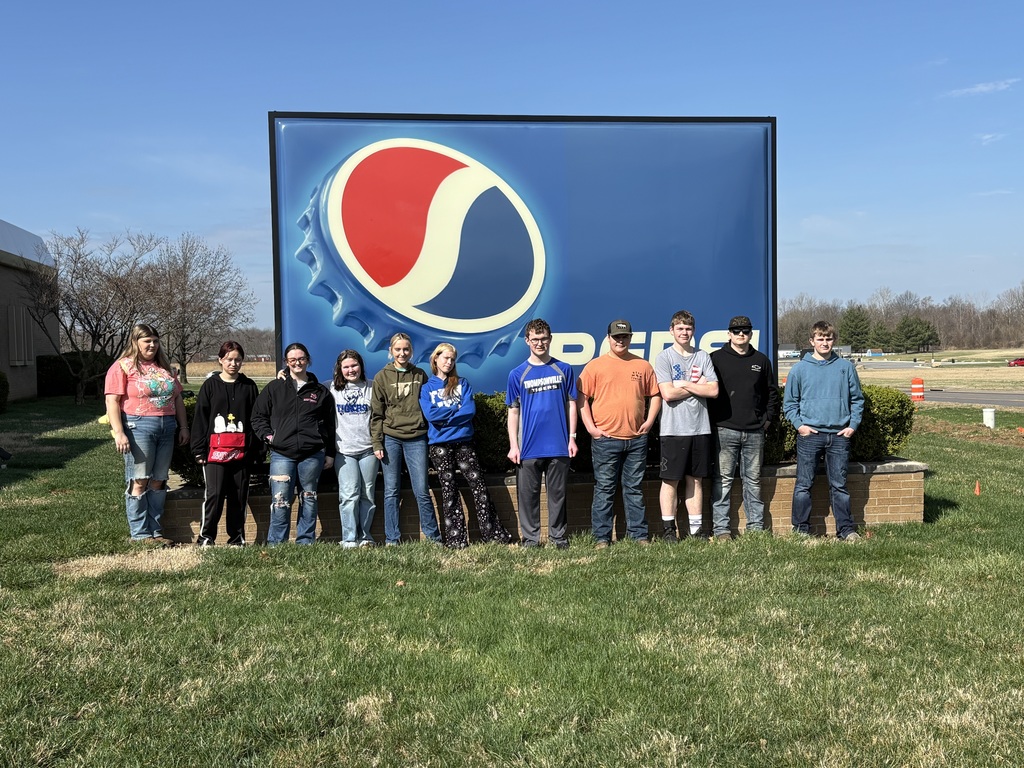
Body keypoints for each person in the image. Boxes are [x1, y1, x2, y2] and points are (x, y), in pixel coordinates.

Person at [420, 343, 515, 548]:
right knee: (449, 491)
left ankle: (494, 536)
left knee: (479, 487)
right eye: (445, 358)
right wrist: (455, 409)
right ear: (435, 359)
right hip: (439, 446)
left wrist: (446, 415)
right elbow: (430, 415)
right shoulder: (427, 387)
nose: (449, 362)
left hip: (464, 442)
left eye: (452, 359)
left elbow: (469, 411)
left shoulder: (462, 383)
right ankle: (456, 540)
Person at [577, 319, 661, 548]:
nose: (620, 340)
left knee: (634, 489)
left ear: (630, 338)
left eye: (624, 337)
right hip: (606, 440)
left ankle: (639, 535)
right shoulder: (595, 366)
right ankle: (602, 538)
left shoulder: (642, 365)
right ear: (608, 338)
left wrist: (650, 421)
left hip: (636, 439)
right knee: (604, 489)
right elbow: (581, 397)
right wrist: (591, 428)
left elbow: (655, 394)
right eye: (616, 337)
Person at [104, 323, 189, 545]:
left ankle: (156, 531)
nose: (152, 345)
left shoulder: (165, 368)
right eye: (147, 341)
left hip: (167, 426)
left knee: (159, 480)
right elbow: (112, 400)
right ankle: (140, 534)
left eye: (155, 341)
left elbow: (177, 398)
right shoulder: (122, 367)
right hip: (138, 426)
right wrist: (119, 432)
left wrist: (183, 426)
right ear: (135, 342)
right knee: (139, 479)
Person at [783, 320, 865, 541]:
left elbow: (857, 400)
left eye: (828, 338)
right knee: (803, 485)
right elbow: (790, 403)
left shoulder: (845, 367)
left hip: (839, 436)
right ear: (812, 341)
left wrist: (851, 426)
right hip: (810, 436)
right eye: (820, 338)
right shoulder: (799, 369)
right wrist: (800, 426)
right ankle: (801, 530)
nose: (825, 342)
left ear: (833, 341)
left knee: (839, 486)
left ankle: (846, 530)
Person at [251, 343, 335, 544]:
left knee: (309, 498)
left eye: (301, 358)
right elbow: (258, 417)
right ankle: (277, 543)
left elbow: (330, 424)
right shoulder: (275, 387)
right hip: (282, 453)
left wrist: (329, 452)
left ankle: (305, 541)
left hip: (312, 454)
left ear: (308, 360)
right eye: (292, 360)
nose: (297, 363)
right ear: (286, 362)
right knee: (280, 501)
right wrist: (270, 437)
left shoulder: (320, 391)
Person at [506, 319, 578, 549]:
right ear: (527, 341)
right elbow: (513, 411)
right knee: (528, 497)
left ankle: (558, 538)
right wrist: (513, 445)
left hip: (559, 444)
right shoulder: (517, 374)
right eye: (535, 339)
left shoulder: (564, 369)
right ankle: (531, 539)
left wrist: (572, 437)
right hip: (528, 446)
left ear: (550, 339)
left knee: (558, 495)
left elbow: (571, 405)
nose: (540, 343)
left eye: (544, 338)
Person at [709, 316, 780, 538]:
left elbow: (771, 393)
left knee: (753, 481)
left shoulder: (761, 360)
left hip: (754, 431)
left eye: (746, 331)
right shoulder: (715, 359)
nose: (741, 334)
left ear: (751, 334)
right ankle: (721, 529)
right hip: (724, 430)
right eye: (737, 331)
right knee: (723, 480)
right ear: (729, 334)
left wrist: (767, 419)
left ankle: (756, 528)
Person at [370, 333, 441, 546]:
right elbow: (376, 414)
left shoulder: (420, 375)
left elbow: (431, 404)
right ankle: (392, 539)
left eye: (406, 349)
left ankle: (433, 538)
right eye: (398, 349)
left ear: (411, 351)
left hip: (417, 438)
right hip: (391, 438)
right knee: (391, 491)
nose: (402, 353)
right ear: (391, 351)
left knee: (421, 490)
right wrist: (377, 442)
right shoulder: (382, 377)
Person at [654, 310, 719, 542]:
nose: (684, 332)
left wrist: (683, 384)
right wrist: (695, 384)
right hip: (673, 430)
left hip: (700, 428)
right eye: (680, 328)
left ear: (693, 331)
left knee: (696, 480)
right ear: (672, 331)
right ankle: (669, 530)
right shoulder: (664, 358)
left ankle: (695, 530)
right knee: (670, 480)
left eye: (688, 328)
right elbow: (668, 394)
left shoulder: (702, 356)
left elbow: (713, 390)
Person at [190, 341, 260, 546]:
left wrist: (256, 449)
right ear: (220, 360)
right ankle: (206, 537)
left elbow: (255, 420)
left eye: (237, 359)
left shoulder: (249, 387)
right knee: (215, 494)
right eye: (229, 359)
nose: (233, 363)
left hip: (241, 452)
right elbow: (201, 420)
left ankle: (236, 538)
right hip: (214, 453)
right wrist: (198, 449)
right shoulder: (210, 386)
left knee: (239, 496)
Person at [330, 349, 378, 548]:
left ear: (361, 366)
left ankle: (365, 537)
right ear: (340, 370)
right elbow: (306, 384)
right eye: (346, 367)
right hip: (344, 451)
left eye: (354, 365)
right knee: (349, 495)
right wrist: (285, 376)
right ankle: (349, 539)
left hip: (369, 450)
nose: (351, 370)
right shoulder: (331, 388)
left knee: (368, 494)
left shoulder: (372, 387)